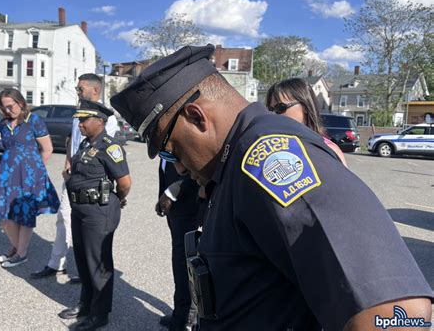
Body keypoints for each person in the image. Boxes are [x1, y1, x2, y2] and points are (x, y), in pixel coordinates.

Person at [111, 45, 433, 330]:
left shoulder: (267, 157)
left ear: (197, 117)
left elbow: (400, 314)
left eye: (171, 149)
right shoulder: (230, 165)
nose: (178, 167)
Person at [31, 73, 119, 281]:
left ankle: (85, 272)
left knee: (87, 227)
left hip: (91, 181)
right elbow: (73, 139)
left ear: (95, 90)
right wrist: (68, 161)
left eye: (81, 88)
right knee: (63, 217)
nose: (78, 92)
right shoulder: (79, 113)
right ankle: (56, 263)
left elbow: (101, 148)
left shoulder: (108, 118)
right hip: (72, 175)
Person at [58, 99, 131, 330]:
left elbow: (125, 182)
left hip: (99, 212)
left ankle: (100, 314)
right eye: (79, 120)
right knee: (83, 260)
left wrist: (118, 198)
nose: (79, 124)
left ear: (100, 121)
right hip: (80, 210)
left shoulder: (110, 147)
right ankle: (86, 304)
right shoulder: (85, 145)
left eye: (84, 120)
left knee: (98, 263)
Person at [0, 88, 60, 268]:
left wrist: (37, 173)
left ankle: (21, 253)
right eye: (3, 108)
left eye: (10, 106)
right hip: (6, 173)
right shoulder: (4, 124)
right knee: (2, 211)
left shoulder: (34, 121)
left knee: (25, 213)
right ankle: (15, 246)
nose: (7, 111)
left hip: (29, 174)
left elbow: (47, 149)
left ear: (20, 102)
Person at [156, 160, 200, 331]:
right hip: (175, 210)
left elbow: (200, 168)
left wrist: (172, 192)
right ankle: (181, 312)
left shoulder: (186, 136)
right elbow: (165, 171)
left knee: (186, 264)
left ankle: (189, 318)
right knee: (179, 263)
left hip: (189, 209)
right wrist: (162, 196)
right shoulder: (167, 144)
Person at [266, 78, 347, 166]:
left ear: (305, 106)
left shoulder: (328, 150)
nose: (274, 114)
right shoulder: (268, 147)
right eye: (271, 109)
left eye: (280, 108)